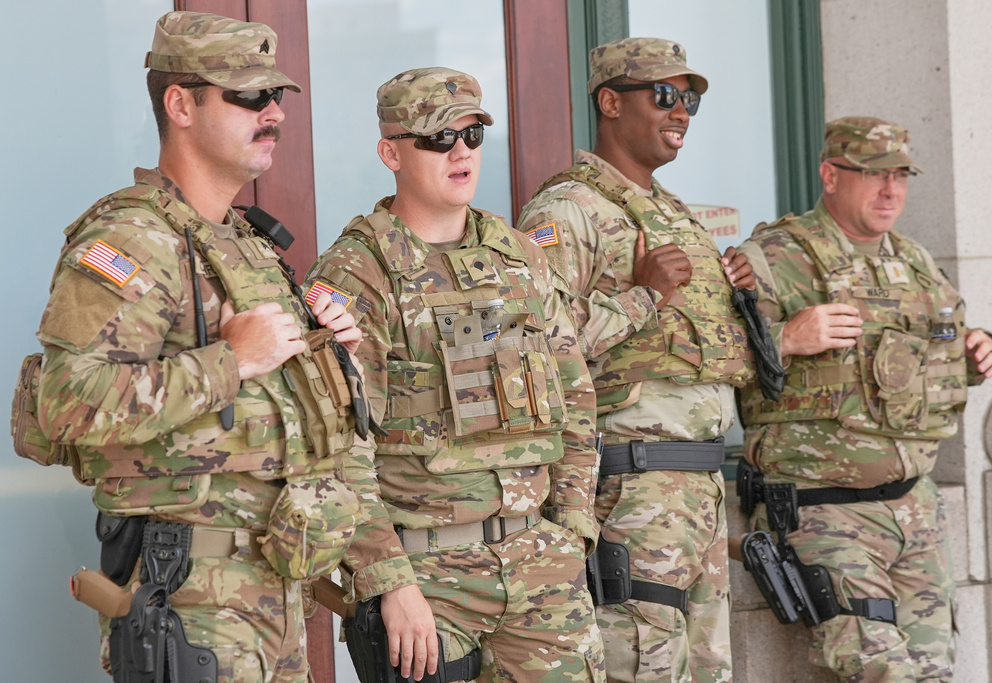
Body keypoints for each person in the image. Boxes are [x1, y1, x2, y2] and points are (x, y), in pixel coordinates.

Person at [30, 11, 365, 681]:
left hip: (279, 588)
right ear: (181, 103)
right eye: (248, 95)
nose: (271, 111)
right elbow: (65, 404)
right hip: (189, 598)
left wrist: (339, 357)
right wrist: (230, 360)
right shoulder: (131, 240)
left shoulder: (250, 246)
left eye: (275, 96)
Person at [306, 67, 605, 683]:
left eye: (472, 134)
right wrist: (390, 581)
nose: (461, 150)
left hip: (541, 567)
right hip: (429, 581)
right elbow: (339, 448)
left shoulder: (517, 256)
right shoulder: (357, 273)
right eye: (438, 138)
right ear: (391, 152)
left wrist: (573, 528)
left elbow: (574, 394)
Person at [517, 38, 757, 683]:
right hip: (631, 483)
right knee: (640, 664)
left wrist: (744, 304)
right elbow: (538, 349)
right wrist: (646, 295)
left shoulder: (674, 214)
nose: (681, 112)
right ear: (610, 102)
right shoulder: (567, 210)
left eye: (691, 100)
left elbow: (706, 355)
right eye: (665, 96)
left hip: (699, 484)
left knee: (705, 669)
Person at [735, 116, 992, 682]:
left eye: (901, 176)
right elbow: (711, 359)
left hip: (916, 512)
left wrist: (981, 349)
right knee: (883, 674)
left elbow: (939, 351)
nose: (891, 191)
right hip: (826, 510)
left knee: (932, 673)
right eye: (874, 175)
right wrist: (786, 338)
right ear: (831, 176)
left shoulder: (914, 262)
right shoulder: (773, 257)